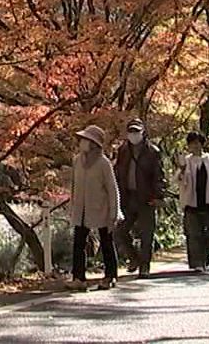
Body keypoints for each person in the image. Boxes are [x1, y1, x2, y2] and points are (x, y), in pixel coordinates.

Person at [69, 124, 120, 290]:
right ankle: (78, 277)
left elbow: (112, 189)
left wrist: (114, 213)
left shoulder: (103, 163)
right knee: (78, 242)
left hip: (101, 208)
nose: (81, 142)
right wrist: (72, 207)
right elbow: (73, 186)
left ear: (93, 143)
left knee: (106, 242)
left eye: (85, 139)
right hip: (81, 209)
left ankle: (110, 276)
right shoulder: (77, 160)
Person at [113, 118, 165, 278]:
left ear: (143, 132)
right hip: (128, 197)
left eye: (137, 131)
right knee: (120, 231)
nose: (134, 134)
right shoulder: (123, 150)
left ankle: (145, 266)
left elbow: (159, 176)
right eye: (131, 131)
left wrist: (158, 196)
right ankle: (134, 258)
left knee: (146, 234)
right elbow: (117, 172)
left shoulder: (152, 151)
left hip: (146, 197)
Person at [178, 131, 209, 273]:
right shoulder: (186, 161)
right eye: (192, 143)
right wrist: (181, 170)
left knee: (208, 234)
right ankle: (196, 263)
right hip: (191, 203)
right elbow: (179, 181)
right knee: (193, 235)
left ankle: (205, 257)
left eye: (197, 143)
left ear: (202, 144)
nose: (195, 146)